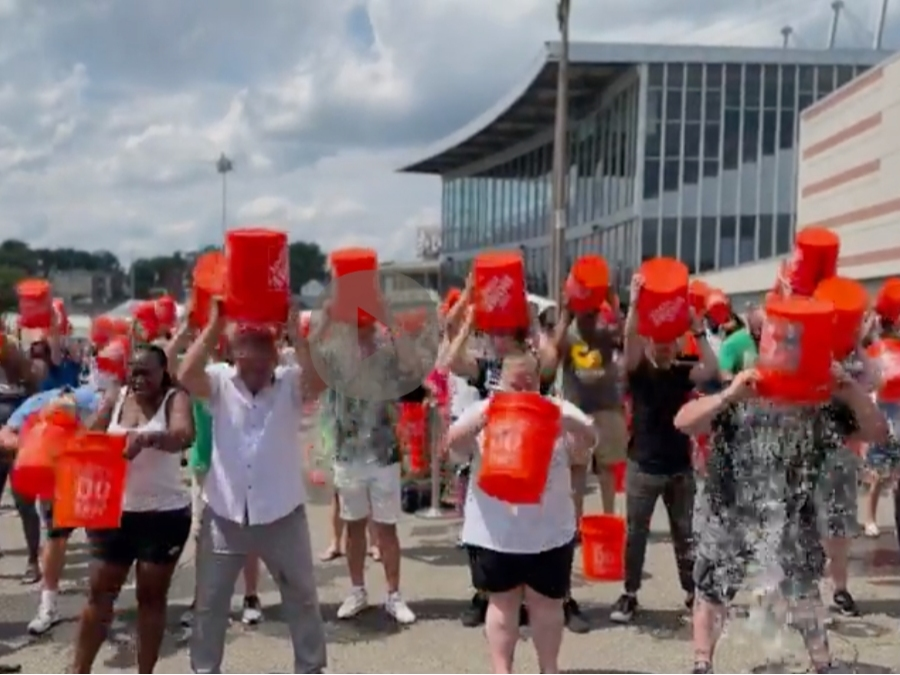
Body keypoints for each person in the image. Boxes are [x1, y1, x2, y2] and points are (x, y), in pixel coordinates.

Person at [676, 362, 886, 674]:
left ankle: (822, 664)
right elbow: (684, 421)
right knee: (713, 588)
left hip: (793, 510)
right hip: (730, 506)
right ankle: (702, 664)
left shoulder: (820, 399)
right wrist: (728, 396)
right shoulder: (747, 390)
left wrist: (852, 391)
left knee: (803, 589)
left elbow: (878, 432)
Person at [179, 302, 327, 674]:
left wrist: (298, 332)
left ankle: (310, 668)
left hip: (282, 513)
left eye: (265, 348)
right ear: (234, 354)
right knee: (210, 603)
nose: (258, 360)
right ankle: (204, 669)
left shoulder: (291, 381)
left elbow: (318, 383)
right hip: (225, 514)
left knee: (303, 598)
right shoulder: (218, 381)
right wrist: (215, 324)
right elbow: (184, 374)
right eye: (248, 348)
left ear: (276, 351)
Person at [447, 352, 597, 674]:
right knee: (502, 604)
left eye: (529, 383)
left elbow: (588, 446)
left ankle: (549, 669)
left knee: (548, 606)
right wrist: (479, 423)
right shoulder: (483, 410)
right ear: (499, 383)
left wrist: (572, 426)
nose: (522, 391)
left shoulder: (557, 409)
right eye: (514, 384)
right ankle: (503, 671)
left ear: (538, 382)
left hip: (550, 532)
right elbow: (452, 446)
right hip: (495, 533)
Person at [71, 345, 194, 673]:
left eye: (146, 372)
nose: (138, 379)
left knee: (150, 599)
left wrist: (148, 439)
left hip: (163, 516)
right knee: (99, 595)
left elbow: (183, 434)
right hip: (112, 512)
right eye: (133, 371)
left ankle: (145, 671)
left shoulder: (175, 398)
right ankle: (77, 670)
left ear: (162, 372)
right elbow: (90, 436)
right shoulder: (116, 397)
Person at [610, 273, 719, 625]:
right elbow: (628, 342)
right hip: (643, 465)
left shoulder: (681, 371)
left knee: (684, 533)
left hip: (678, 466)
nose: (663, 347)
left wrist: (697, 329)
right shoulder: (638, 371)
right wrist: (635, 304)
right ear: (649, 342)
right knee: (636, 535)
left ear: (676, 344)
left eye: (669, 343)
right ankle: (629, 593)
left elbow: (713, 370)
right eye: (657, 342)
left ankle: (692, 593)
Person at [313, 298, 426, 626]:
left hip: (382, 452)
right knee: (354, 526)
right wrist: (328, 317)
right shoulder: (336, 352)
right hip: (348, 453)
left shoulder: (386, 352)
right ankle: (357, 591)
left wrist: (392, 323)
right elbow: (312, 360)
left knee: (386, 527)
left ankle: (393, 595)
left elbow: (413, 369)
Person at [0, 383, 107, 634]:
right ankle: (48, 606)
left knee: (101, 541)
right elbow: (5, 436)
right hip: (56, 482)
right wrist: (37, 445)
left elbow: (112, 427)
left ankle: (101, 603)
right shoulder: (35, 404)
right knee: (56, 538)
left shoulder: (95, 399)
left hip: (93, 476)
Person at [548, 296, 628, 517]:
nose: (591, 314)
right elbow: (554, 350)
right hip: (578, 409)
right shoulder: (569, 333)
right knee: (577, 469)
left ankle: (609, 517)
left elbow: (626, 334)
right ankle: (576, 523)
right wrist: (564, 313)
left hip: (607, 406)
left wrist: (613, 302)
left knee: (607, 468)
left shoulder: (605, 331)